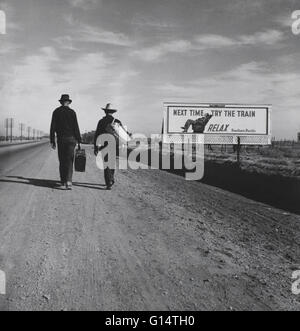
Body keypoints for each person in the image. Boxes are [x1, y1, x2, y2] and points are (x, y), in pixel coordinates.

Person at [94, 103, 130, 190]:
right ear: (112, 112)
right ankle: (111, 178)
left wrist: (96, 147)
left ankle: (108, 181)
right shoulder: (117, 121)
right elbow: (123, 134)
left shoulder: (101, 122)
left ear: (105, 112)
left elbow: (97, 135)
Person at [50, 94, 81, 190]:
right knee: (69, 160)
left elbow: (53, 127)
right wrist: (79, 140)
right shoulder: (72, 112)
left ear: (61, 102)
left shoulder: (56, 111)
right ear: (68, 102)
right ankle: (69, 181)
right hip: (71, 139)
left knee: (62, 160)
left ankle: (63, 181)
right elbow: (76, 127)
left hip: (61, 139)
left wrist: (52, 140)